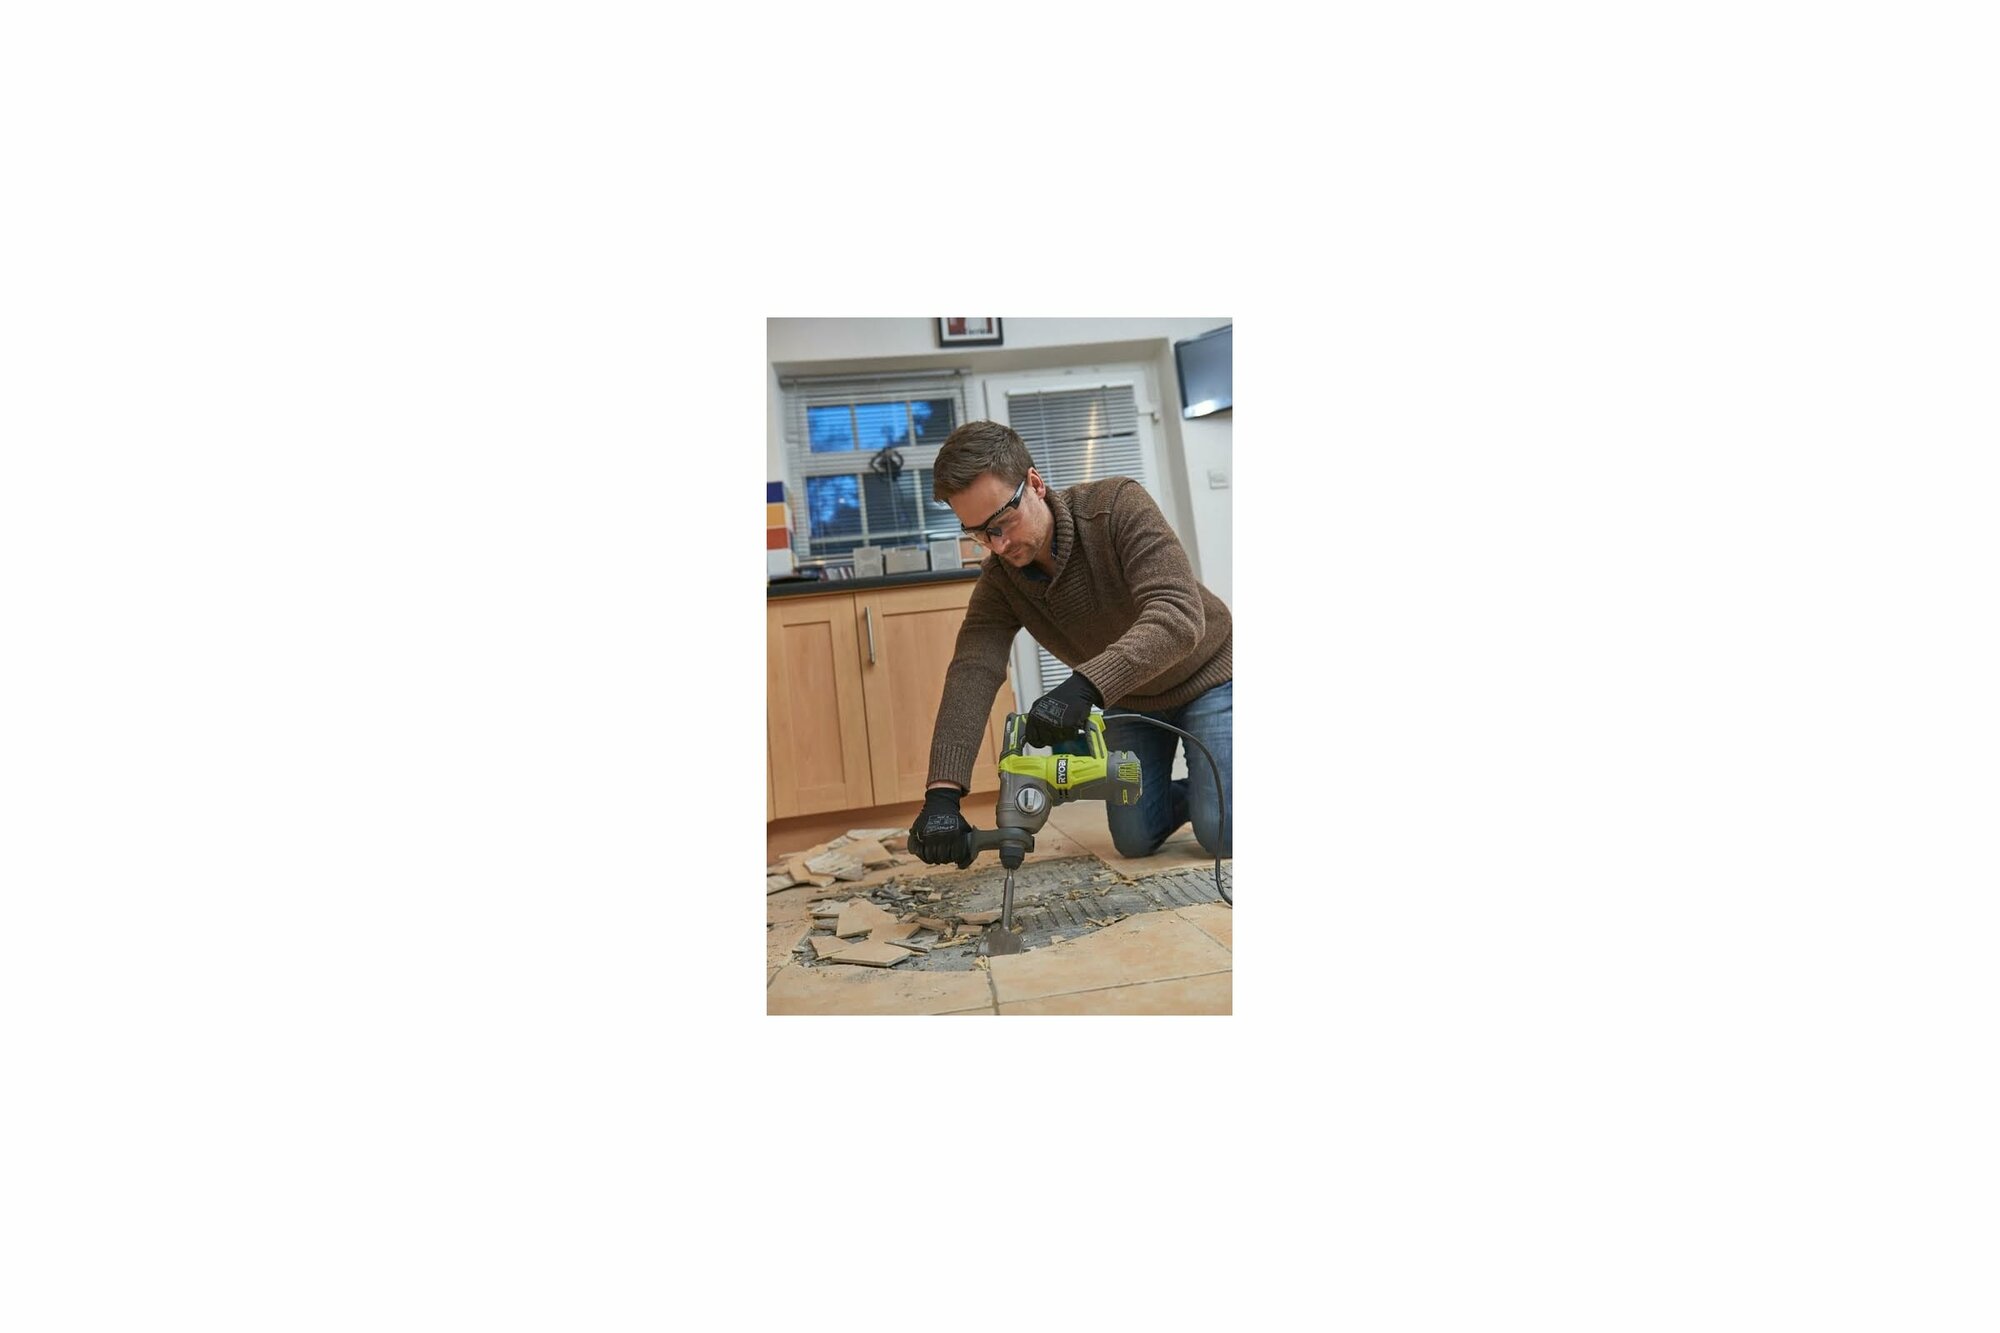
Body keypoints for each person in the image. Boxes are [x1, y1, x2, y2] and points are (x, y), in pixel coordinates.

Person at [906, 420, 1232, 868]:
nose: (998, 545)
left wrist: (1084, 687)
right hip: (1132, 696)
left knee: (1222, 831)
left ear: (1035, 484)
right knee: (1135, 838)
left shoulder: (1116, 506)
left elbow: (1178, 614)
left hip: (1210, 676)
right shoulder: (1001, 582)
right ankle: (1214, 790)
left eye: (1003, 522)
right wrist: (942, 794)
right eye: (979, 533)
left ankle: (1223, 793)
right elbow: (972, 672)